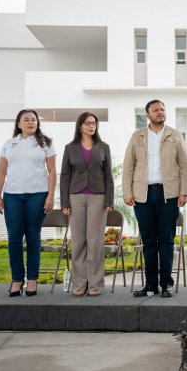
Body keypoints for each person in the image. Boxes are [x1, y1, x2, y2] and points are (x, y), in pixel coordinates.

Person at [123, 99, 187, 298]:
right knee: (149, 241)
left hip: (167, 194)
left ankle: (167, 284)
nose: (160, 112)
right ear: (148, 115)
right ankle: (150, 285)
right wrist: (127, 192)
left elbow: (185, 166)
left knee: (167, 240)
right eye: (156, 110)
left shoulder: (175, 135)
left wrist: (184, 192)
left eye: (162, 109)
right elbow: (129, 166)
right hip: (142, 195)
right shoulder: (137, 137)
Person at [0, 109, 56, 297]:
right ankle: (17, 279)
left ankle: (32, 280)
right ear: (18, 124)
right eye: (26, 120)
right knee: (14, 238)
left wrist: (51, 196)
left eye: (34, 120)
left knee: (32, 237)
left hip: (37, 195)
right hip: (12, 196)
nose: (31, 122)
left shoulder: (45, 143)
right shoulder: (9, 144)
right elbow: (2, 172)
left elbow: (52, 171)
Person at [60, 112, 114, 297]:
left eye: (94, 123)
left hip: (98, 197)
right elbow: (65, 176)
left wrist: (109, 200)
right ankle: (79, 283)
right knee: (78, 242)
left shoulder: (103, 147)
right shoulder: (70, 148)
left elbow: (108, 174)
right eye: (88, 123)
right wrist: (65, 202)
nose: (92, 126)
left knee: (95, 242)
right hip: (75, 197)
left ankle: (95, 284)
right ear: (80, 126)